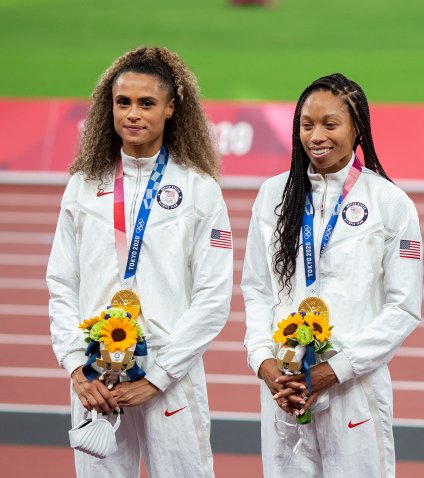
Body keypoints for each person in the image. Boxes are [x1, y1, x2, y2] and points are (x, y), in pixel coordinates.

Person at [46, 47, 233, 476]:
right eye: (122, 102)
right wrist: (76, 367)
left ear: (171, 108)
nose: (132, 113)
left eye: (146, 103)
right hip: (95, 377)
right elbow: (61, 281)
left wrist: (157, 378)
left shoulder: (199, 190)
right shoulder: (82, 184)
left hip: (169, 376)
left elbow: (213, 298)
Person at [241, 73, 422, 477]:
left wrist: (334, 370)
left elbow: (403, 308)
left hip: (353, 388)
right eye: (307, 125)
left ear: (357, 129)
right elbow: (256, 289)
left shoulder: (389, 203)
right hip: (284, 387)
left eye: (330, 124)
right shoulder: (273, 195)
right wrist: (264, 363)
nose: (316, 136)